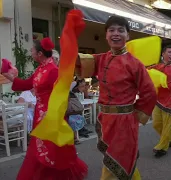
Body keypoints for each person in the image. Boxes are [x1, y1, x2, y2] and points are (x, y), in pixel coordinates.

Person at [75, 16, 157, 180]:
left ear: (128, 35)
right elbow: (78, 62)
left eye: (121, 30)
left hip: (124, 122)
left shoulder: (135, 64)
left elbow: (149, 92)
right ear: (106, 35)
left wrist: (135, 114)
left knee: (113, 165)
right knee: (121, 163)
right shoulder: (101, 58)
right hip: (105, 119)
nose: (115, 34)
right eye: (111, 30)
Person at [2, 37, 87, 179]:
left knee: (52, 149)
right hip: (39, 115)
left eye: (32, 50)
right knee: (42, 149)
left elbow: (62, 95)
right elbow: (26, 84)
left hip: (51, 116)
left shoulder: (53, 70)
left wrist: (54, 114)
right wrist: (9, 77)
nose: (31, 52)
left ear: (40, 54)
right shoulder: (40, 69)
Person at [147, 45, 171, 158]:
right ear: (163, 54)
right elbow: (147, 75)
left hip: (170, 100)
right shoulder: (156, 67)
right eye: (169, 52)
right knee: (156, 124)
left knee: (167, 125)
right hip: (158, 100)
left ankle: (162, 147)